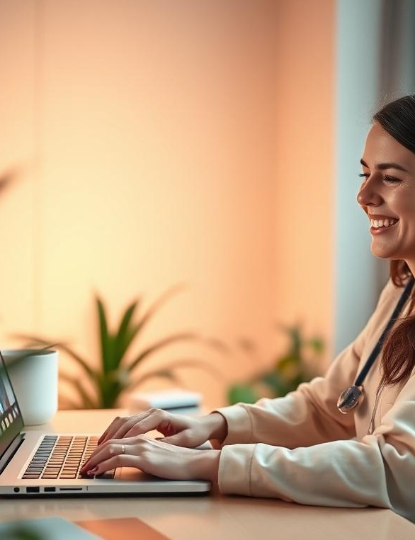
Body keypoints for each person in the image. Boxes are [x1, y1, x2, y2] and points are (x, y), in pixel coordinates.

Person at [82, 94, 415, 522]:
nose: (363, 195)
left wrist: (208, 464)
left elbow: (397, 466)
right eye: (364, 174)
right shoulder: (403, 290)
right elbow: (330, 407)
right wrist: (216, 425)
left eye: (389, 178)